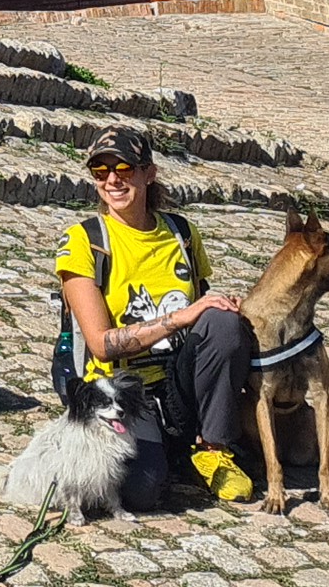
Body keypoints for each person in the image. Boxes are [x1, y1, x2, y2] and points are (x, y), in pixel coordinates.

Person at [57, 129, 257, 510]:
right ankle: (170, 450)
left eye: (124, 169)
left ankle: (212, 448)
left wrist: (221, 307)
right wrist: (179, 318)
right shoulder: (85, 241)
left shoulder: (181, 234)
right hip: (122, 388)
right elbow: (101, 343)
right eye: (100, 171)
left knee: (223, 321)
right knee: (141, 491)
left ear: (149, 173)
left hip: (180, 377)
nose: (112, 180)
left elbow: (203, 315)